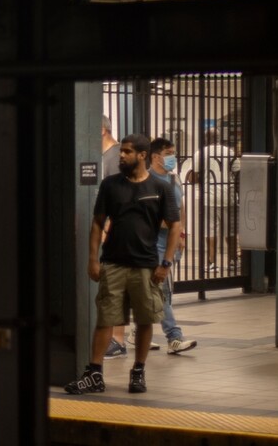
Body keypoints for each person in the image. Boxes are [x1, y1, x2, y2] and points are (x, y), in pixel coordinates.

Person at [65, 134, 180, 395]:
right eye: (121, 152)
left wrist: (166, 262)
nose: (121, 156)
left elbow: (175, 226)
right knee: (106, 318)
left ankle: (138, 371)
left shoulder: (161, 188)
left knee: (145, 319)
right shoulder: (110, 185)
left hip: (146, 266)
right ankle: (94, 374)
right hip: (113, 263)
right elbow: (97, 223)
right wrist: (93, 259)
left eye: (127, 152)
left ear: (142, 155)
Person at [134, 137, 197, 355]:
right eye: (169, 152)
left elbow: (180, 207)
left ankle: (138, 330)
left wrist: (181, 233)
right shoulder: (145, 180)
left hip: (171, 242)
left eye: (173, 152)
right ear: (155, 156)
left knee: (157, 289)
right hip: (152, 243)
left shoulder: (174, 179)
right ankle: (174, 337)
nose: (173, 157)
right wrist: (171, 225)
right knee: (161, 291)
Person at [100, 116, 133, 358]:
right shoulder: (104, 156)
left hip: (114, 231)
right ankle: (113, 336)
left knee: (116, 286)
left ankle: (119, 339)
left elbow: (119, 195)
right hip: (105, 229)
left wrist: (108, 226)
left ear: (102, 130)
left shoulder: (114, 157)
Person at [186, 128, 241, 272]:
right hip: (228, 196)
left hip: (209, 196)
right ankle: (233, 261)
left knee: (211, 230)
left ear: (206, 139)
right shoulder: (229, 152)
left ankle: (212, 263)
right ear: (219, 138)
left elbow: (193, 177)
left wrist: (196, 179)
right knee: (231, 230)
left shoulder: (201, 153)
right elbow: (237, 172)